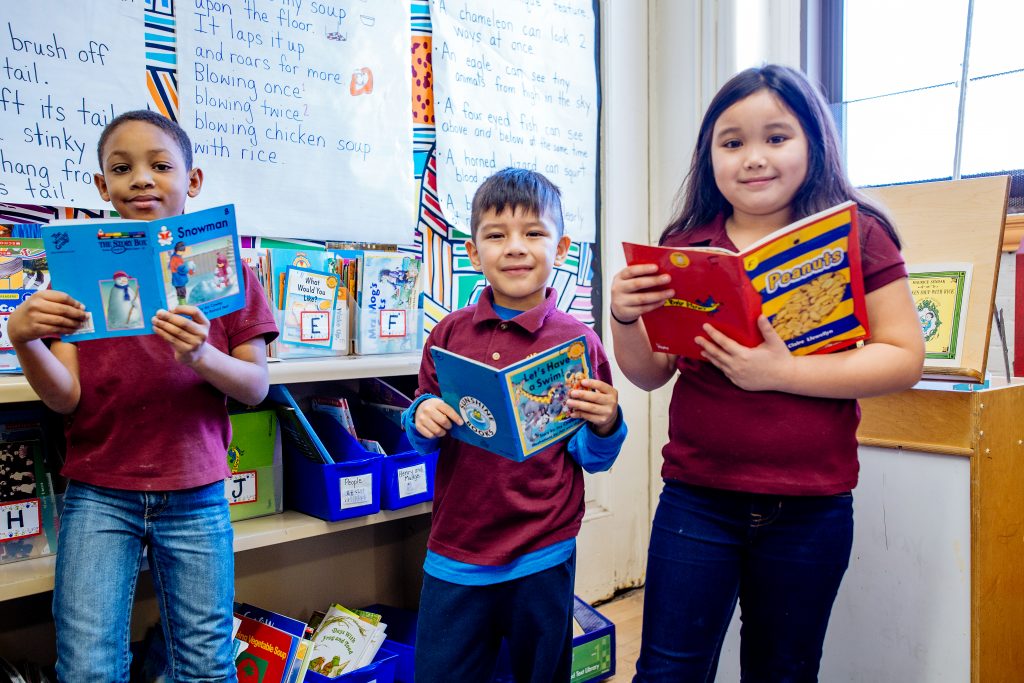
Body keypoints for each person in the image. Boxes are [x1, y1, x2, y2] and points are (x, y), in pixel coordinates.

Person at [609, 64, 925, 681]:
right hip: (698, 499)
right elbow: (650, 375)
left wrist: (779, 373)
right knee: (667, 669)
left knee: (784, 669)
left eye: (776, 138)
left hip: (812, 505)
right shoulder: (686, 243)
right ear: (710, 157)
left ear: (814, 141)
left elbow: (903, 356)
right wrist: (623, 319)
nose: (754, 158)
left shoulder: (859, 234)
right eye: (732, 143)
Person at [7, 109, 278, 682]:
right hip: (100, 490)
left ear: (193, 181)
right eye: (122, 169)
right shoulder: (75, 276)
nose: (143, 179)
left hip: (198, 490)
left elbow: (256, 387)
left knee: (206, 663)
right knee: (87, 664)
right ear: (103, 188)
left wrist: (201, 355)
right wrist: (24, 339)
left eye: (160, 165)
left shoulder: (224, 271)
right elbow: (65, 398)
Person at [401, 168, 627, 683]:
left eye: (534, 233)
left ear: (562, 247)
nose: (515, 248)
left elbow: (594, 457)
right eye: (496, 235)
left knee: (541, 672)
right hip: (456, 550)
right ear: (474, 251)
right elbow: (422, 432)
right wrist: (421, 417)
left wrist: (607, 422)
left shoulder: (579, 344)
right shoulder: (449, 334)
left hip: (542, 553)